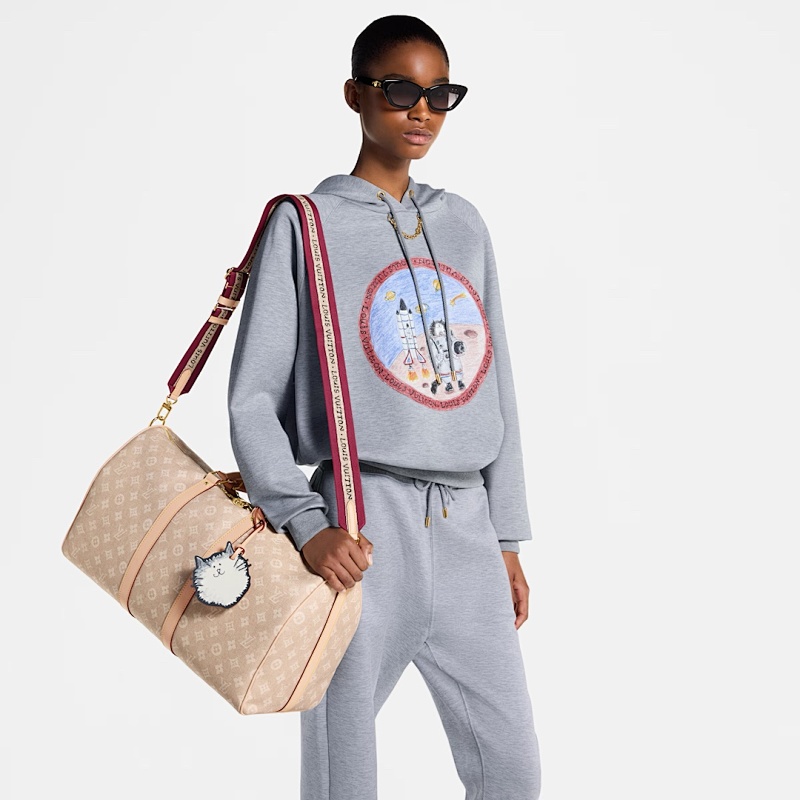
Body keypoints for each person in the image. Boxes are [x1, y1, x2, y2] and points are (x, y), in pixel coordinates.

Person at [228, 14, 542, 800]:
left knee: (511, 770)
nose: (421, 110)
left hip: (468, 527)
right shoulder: (306, 225)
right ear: (355, 94)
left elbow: (494, 382)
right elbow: (253, 398)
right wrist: (305, 523)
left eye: (440, 94)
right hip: (363, 528)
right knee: (344, 774)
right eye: (400, 90)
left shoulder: (463, 224)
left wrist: (505, 537)